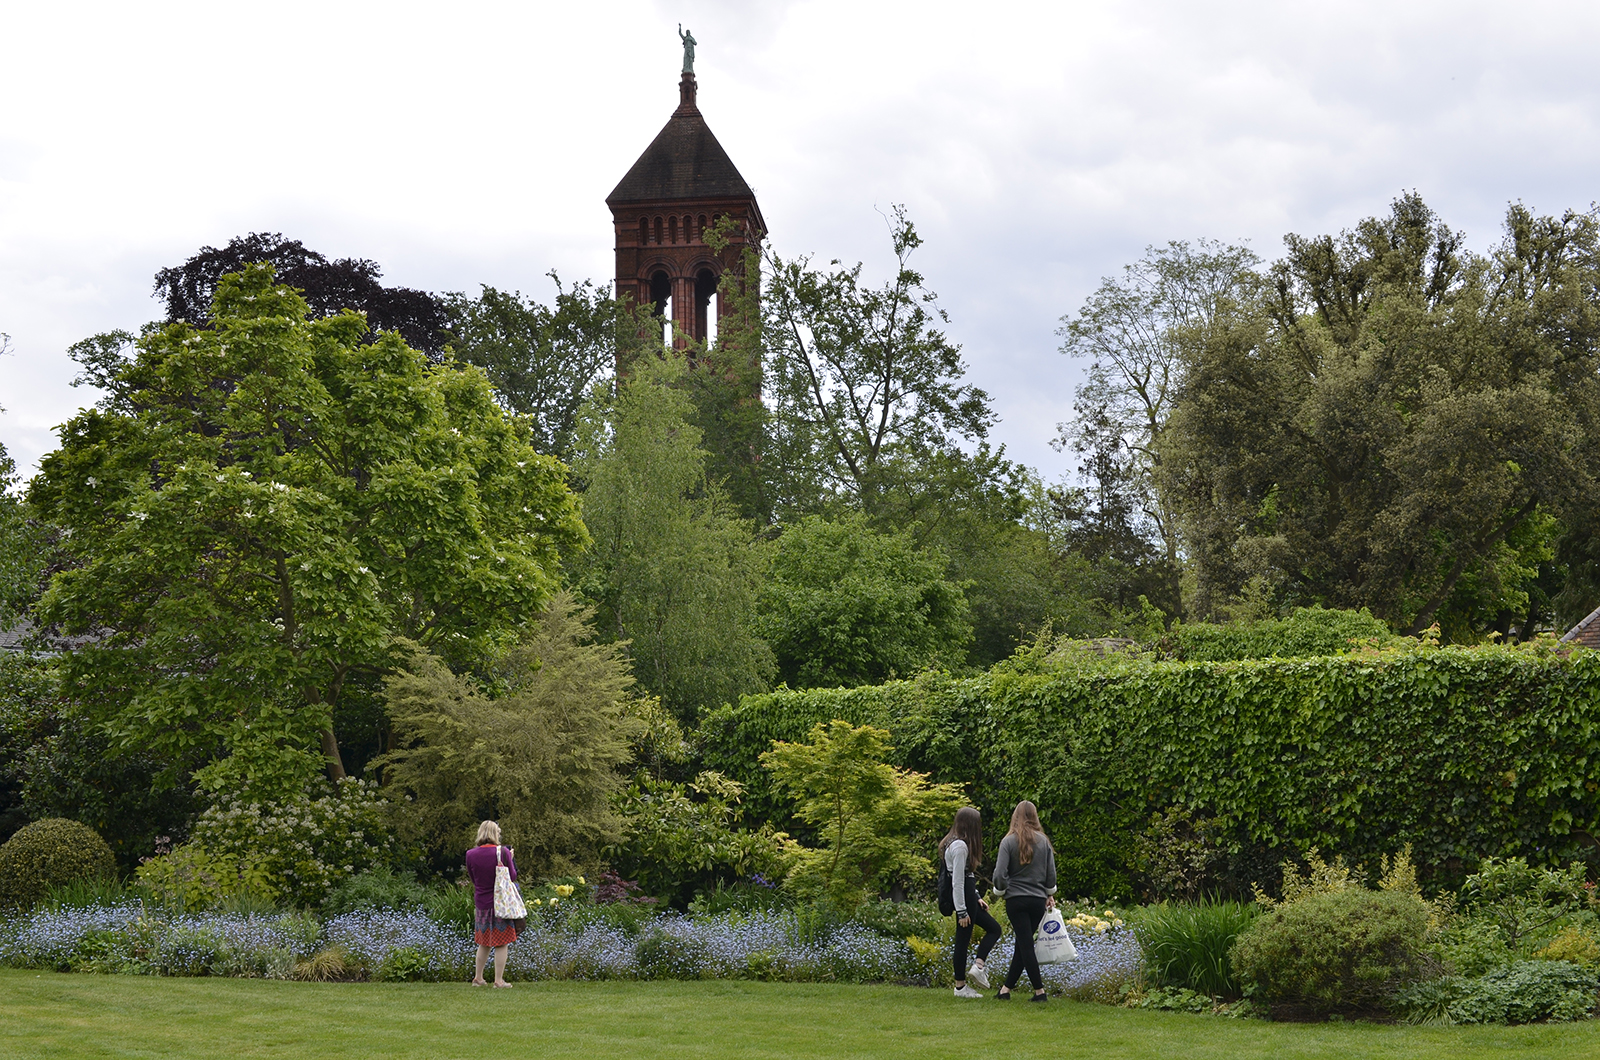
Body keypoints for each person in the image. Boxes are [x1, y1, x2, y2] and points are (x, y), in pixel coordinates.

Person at [990, 800, 1057, 1001]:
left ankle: (1040, 991)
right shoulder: (1043, 841)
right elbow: (1051, 875)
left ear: (1015, 816)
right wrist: (1049, 892)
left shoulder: (1008, 841)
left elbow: (1000, 874)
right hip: (1037, 901)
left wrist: (1000, 890)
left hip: (1016, 900)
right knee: (1023, 943)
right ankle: (1005, 990)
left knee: (1025, 945)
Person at [939, 806, 1001, 999]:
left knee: (994, 928)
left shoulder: (953, 843)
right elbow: (957, 881)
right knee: (963, 941)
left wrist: (976, 897)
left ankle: (978, 966)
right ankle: (960, 987)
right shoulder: (960, 847)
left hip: (968, 898)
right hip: (963, 900)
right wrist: (963, 911)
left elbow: (966, 876)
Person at [464, 820, 519, 987]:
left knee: (484, 941)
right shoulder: (502, 852)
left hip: (481, 901)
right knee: (502, 942)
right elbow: (512, 876)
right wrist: (511, 858)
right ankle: (498, 980)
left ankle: (478, 978)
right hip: (500, 902)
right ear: (496, 834)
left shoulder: (470, 854)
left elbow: (473, 878)